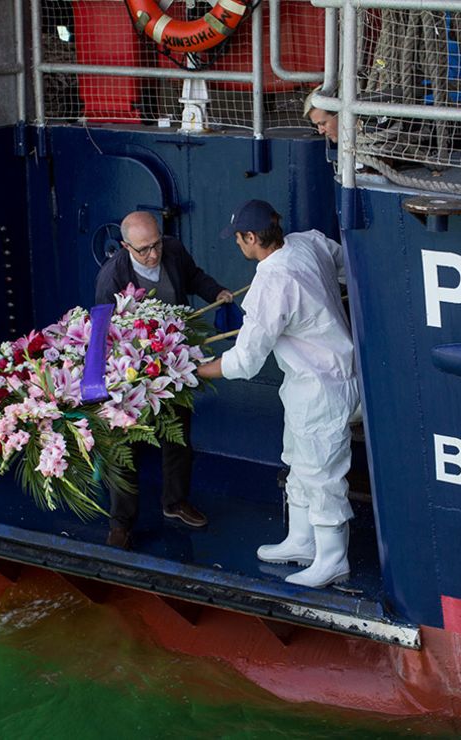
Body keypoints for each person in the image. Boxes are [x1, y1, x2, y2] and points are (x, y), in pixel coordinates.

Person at [197, 200, 359, 589]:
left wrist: (198, 371)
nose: (237, 244)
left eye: (239, 239)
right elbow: (343, 262)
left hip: (320, 386)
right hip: (324, 379)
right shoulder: (308, 243)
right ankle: (302, 542)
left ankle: (333, 560)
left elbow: (247, 361)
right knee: (299, 460)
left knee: (321, 473)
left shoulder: (271, 284)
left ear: (252, 238)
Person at [94, 211, 234, 548]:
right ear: (126, 246)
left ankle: (175, 502)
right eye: (143, 250)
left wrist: (216, 292)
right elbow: (102, 333)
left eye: (156, 244)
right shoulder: (111, 278)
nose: (153, 254)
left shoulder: (172, 249)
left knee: (178, 435)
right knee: (123, 446)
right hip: (130, 368)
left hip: (172, 357)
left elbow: (194, 277)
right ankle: (121, 523)